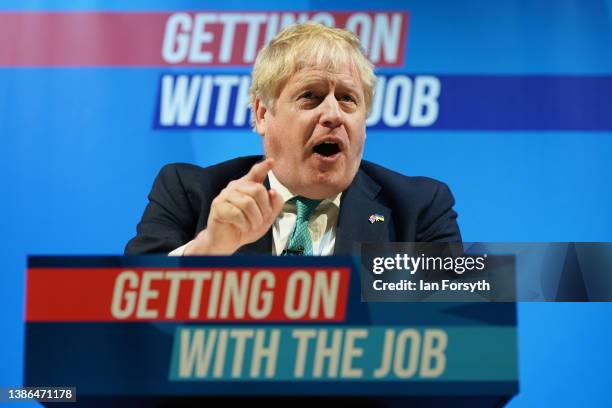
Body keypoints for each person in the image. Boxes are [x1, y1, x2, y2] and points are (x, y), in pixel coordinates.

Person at [125, 23, 461, 256]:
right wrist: (210, 248)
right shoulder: (190, 194)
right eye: (310, 96)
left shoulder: (418, 208)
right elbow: (126, 320)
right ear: (262, 114)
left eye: (348, 98)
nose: (333, 115)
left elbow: (462, 333)